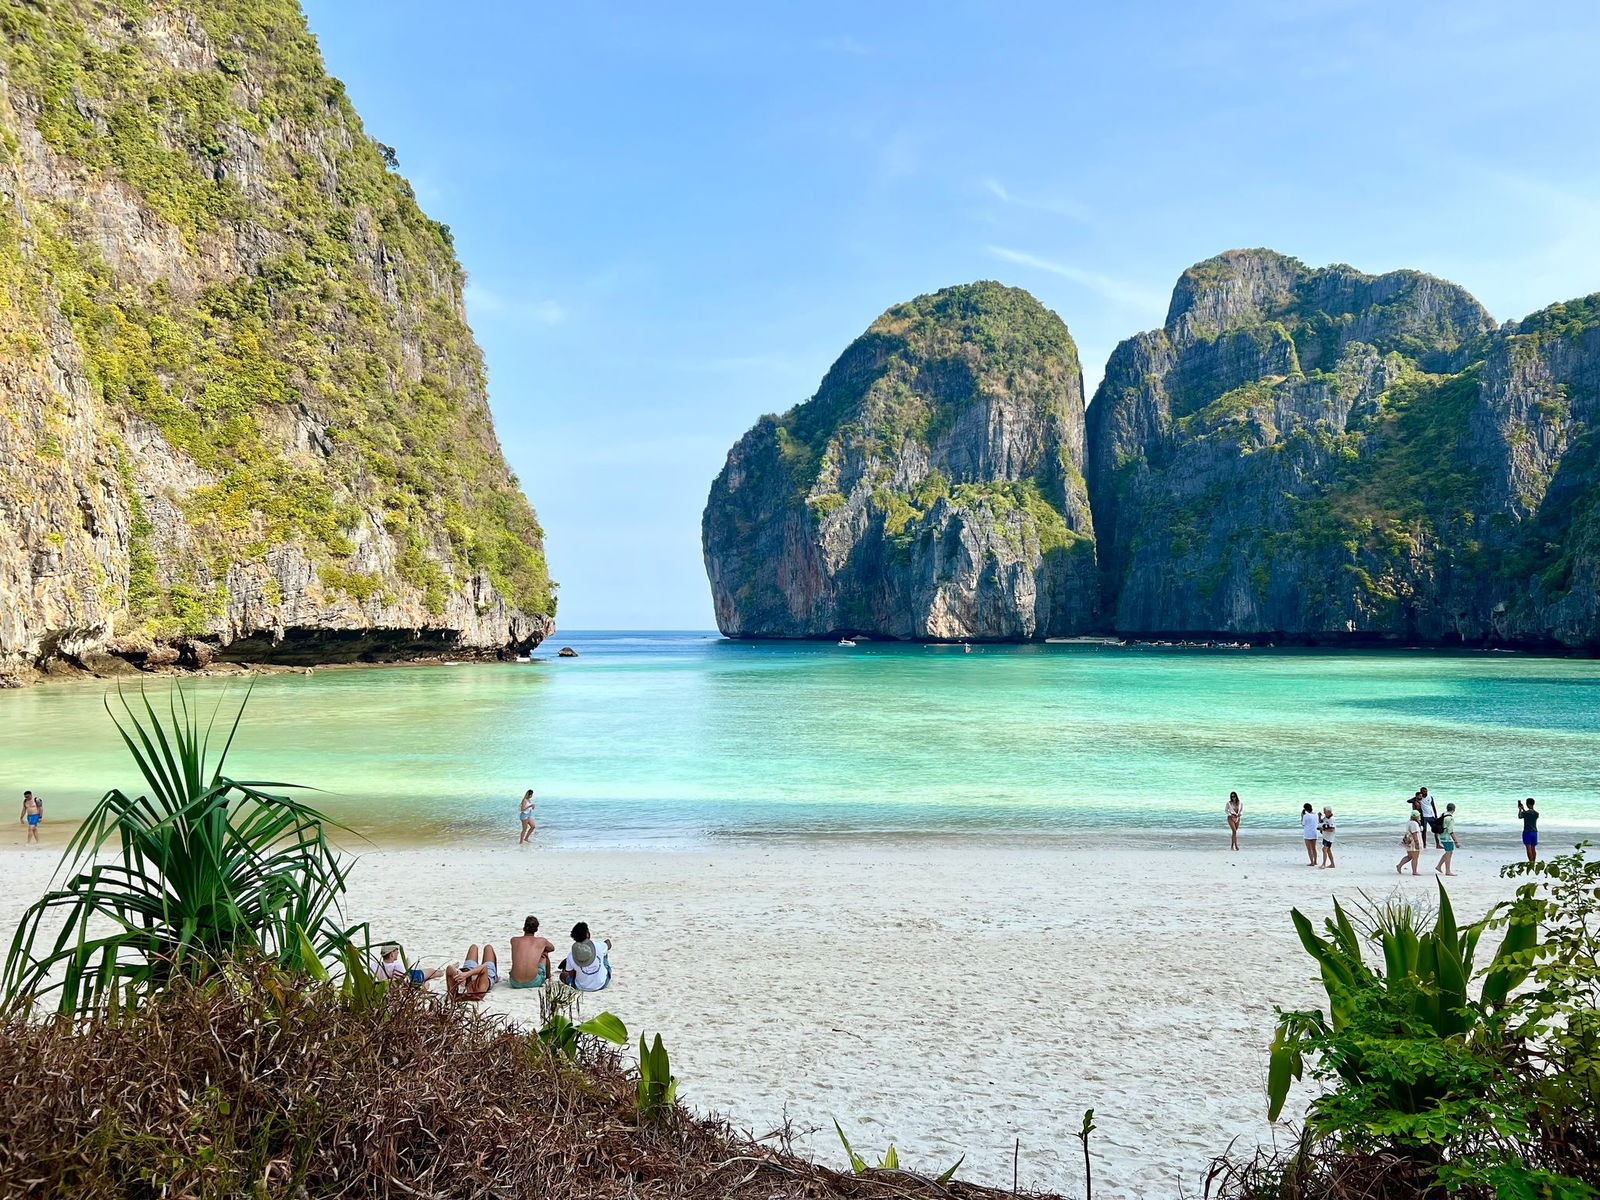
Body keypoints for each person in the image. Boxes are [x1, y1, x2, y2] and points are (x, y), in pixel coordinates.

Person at [560, 922, 612, 992]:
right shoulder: (598, 946)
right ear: (588, 934)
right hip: (601, 984)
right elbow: (609, 944)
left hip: (580, 987)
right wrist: (606, 943)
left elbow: (570, 974)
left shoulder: (571, 955)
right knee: (604, 953)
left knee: (565, 973)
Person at [509, 915, 555, 989]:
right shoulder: (542, 941)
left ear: (524, 927)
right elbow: (552, 948)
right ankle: (548, 976)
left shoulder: (514, 940)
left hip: (514, 982)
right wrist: (541, 950)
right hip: (533, 981)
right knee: (545, 953)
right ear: (536, 929)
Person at [374, 944, 443, 984]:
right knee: (433, 972)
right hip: (412, 977)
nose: (398, 952)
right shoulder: (397, 966)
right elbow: (407, 982)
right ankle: (443, 972)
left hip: (392, 981)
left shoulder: (374, 966)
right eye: (396, 950)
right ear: (391, 954)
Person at [1436, 803, 1461, 876]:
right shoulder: (1450, 818)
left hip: (1441, 835)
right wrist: (1456, 841)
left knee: (1448, 852)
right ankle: (1448, 871)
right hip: (1447, 838)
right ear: (1454, 809)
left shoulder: (1443, 814)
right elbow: (1450, 831)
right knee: (1449, 853)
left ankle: (1439, 866)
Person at [1396, 808, 1423, 875]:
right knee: (1415, 857)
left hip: (1409, 841)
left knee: (1409, 856)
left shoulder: (1409, 822)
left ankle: (1399, 865)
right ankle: (1414, 871)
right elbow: (1414, 834)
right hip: (1413, 842)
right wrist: (1417, 843)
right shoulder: (1414, 824)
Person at [1518, 797, 1540, 863]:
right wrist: (1523, 809)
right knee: (1533, 848)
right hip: (1534, 832)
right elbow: (1528, 814)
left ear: (1528, 804)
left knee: (1528, 848)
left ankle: (1530, 862)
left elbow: (1520, 816)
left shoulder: (1526, 813)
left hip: (1527, 832)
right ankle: (1534, 861)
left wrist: (1520, 809)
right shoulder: (1536, 813)